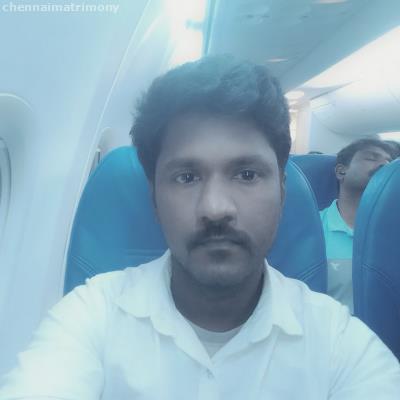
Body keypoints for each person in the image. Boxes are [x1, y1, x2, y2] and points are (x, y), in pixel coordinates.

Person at [1, 56, 399, 399]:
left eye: (246, 174)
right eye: (186, 177)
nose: (215, 208)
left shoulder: (338, 342)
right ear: (154, 197)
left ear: (281, 190)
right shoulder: (91, 316)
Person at [320, 138, 394, 313]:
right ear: (341, 171)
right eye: (371, 158)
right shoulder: (312, 227)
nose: (384, 165)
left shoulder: (394, 229)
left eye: (389, 162)